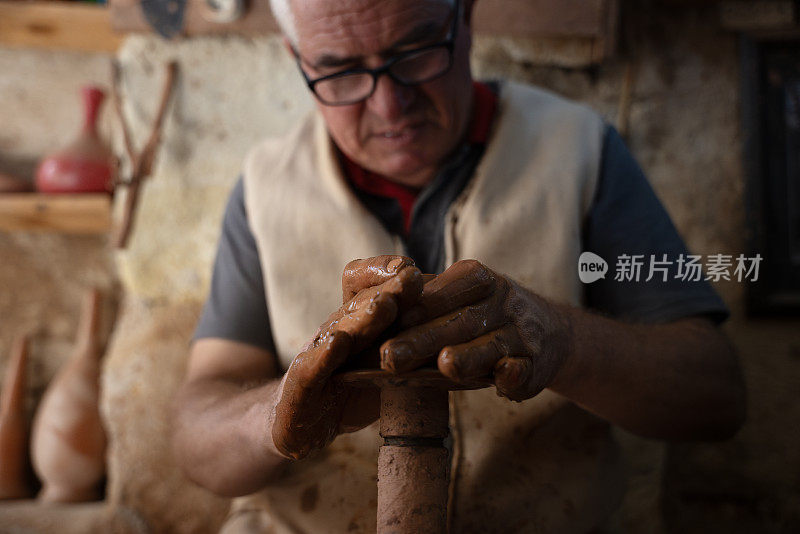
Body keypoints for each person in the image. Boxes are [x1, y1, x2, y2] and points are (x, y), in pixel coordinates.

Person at [171, 0, 746, 531]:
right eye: (340, 70)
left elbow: (715, 395)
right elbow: (196, 440)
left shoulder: (579, 149)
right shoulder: (264, 189)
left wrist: (564, 342)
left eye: (416, 51)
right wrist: (274, 413)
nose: (390, 105)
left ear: (465, 16)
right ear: (296, 58)